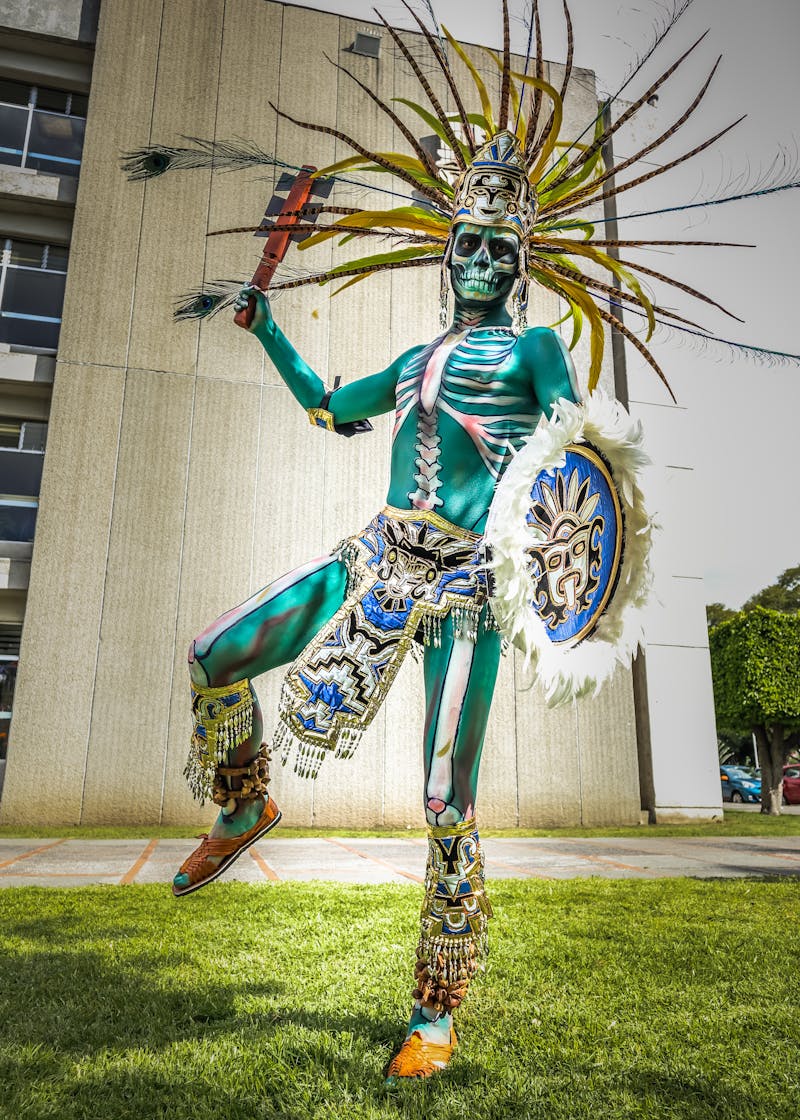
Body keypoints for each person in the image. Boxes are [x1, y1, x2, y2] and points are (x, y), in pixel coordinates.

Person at [173, 131, 580, 1079]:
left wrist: (546, 532)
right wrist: (267, 326)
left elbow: (577, 446)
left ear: (518, 263)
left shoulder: (534, 347)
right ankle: (242, 808)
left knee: (445, 799)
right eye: (468, 244)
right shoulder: (410, 360)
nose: (479, 261)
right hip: (373, 555)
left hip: (467, 587)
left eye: (498, 249)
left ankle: (434, 1015)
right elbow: (325, 406)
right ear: (449, 252)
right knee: (213, 656)